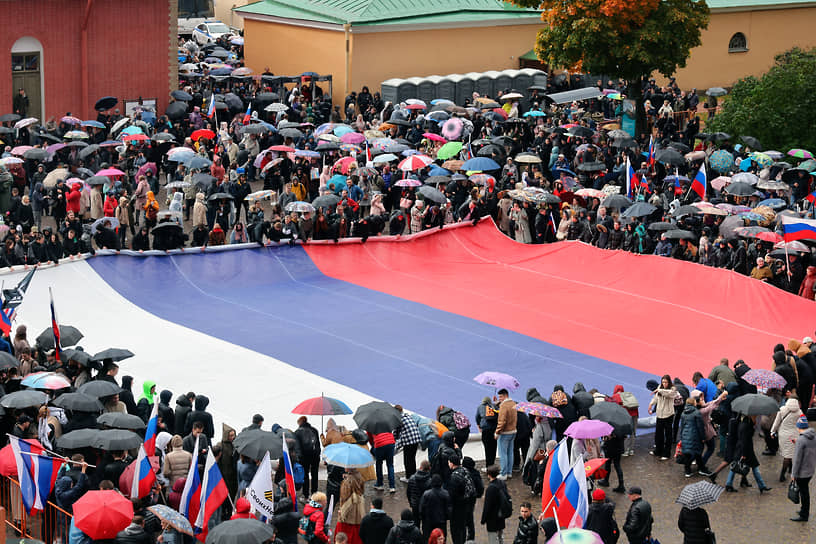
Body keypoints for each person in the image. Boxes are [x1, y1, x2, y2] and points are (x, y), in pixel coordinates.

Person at [771, 396, 804, 482]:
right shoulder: (799, 412)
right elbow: (802, 425)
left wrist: (772, 431)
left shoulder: (782, 409)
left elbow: (776, 422)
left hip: (783, 435)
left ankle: (783, 474)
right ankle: (789, 470)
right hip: (794, 435)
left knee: (787, 454)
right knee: (791, 453)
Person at [791, 415, 816, 522]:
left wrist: (793, 474)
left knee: (804, 493)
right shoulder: (813, 436)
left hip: (802, 472)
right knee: (805, 492)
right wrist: (798, 442)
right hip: (810, 469)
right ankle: (803, 510)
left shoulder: (801, 440)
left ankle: (804, 514)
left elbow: (797, 460)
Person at [447, 456, 476, 544]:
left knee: (456, 530)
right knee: (463, 528)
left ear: (452, 463)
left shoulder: (454, 477)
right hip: (467, 504)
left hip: (458, 507)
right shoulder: (465, 470)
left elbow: (452, 495)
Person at [648, 375, 677, 460]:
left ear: (669, 382)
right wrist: (651, 404)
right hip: (660, 414)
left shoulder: (673, 389)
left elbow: (669, 394)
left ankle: (667, 453)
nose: (664, 384)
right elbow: (656, 397)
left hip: (668, 415)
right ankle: (658, 450)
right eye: (663, 382)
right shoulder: (659, 388)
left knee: (668, 434)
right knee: (658, 434)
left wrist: (659, 390)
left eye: (666, 382)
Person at [295, 415, 321, 500]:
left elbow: (297, 447)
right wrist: (318, 454)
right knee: (315, 475)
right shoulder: (314, 430)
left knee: (305, 475)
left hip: (304, 457)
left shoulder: (298, 432)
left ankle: (306, 495)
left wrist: (298, 458)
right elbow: (318, 444)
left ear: (300, 422)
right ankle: (314, 494)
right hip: (315, 456)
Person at [481, 466, 509, 544]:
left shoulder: (490, 488)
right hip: (501, 515)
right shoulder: (502, 483)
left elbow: (487, 506)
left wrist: (483, 519)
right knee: (500, 536)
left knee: (493, 539)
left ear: (489, 475)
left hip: (492, 518)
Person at [419, 474, 451, 542]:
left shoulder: (426, 494)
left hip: (429, 522)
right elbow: (449, 509)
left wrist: (423, 518)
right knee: (441, 539)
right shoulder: (445, 493)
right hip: (441, 522)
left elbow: (421, 509)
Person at [494, 389, 517, 480]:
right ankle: (509, 472)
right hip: (513, 431)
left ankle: (503, 473)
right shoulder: (513, 403)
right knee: (510, 452)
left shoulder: (503, 406)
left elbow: (502, 421)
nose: (500, 399)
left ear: (505, 396)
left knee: (503, 453)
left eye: (500, 397)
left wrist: (497, 432)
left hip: (504, 433)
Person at [407, 460, 432, 532]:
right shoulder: (430, 480)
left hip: (415, 504)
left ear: (420, 467)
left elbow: (408, 492)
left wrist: (411, 502)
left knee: (415, 523)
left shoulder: (412, 478)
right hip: (425, 506)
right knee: (426, 525)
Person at [476, 396, 499, 468]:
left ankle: (488, 465)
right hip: (494, 430)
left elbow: (477, 418)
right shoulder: (494, 406)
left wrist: (479, 426)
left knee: (487, 448)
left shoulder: (480, 407)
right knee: (494, 447)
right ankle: (492, 462)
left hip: (485, 430)